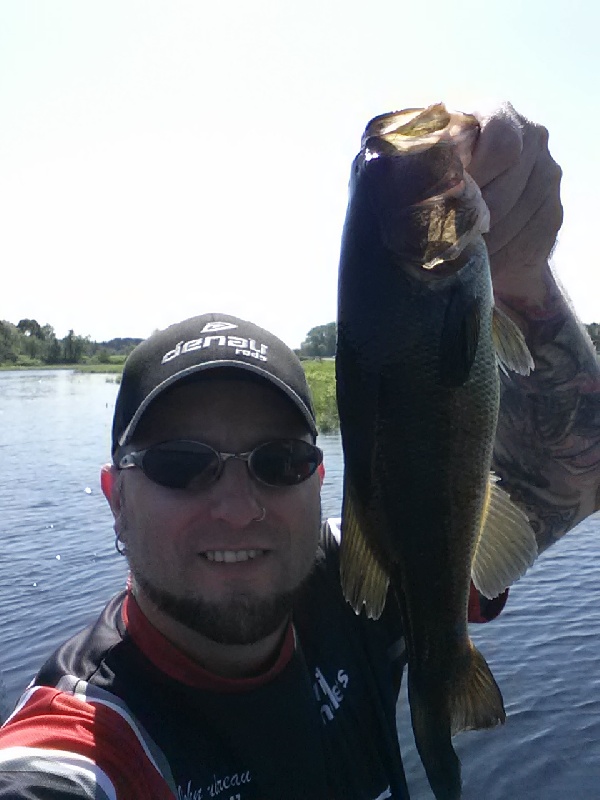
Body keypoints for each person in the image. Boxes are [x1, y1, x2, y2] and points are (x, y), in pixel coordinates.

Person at [0, 104, 598, 799]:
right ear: (115, 498)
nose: (235, 506)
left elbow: (572, 471)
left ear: (319, 480)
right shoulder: (86, 744)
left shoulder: (364, 586)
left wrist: (523, 278)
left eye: (277, 462)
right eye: (179, 465)